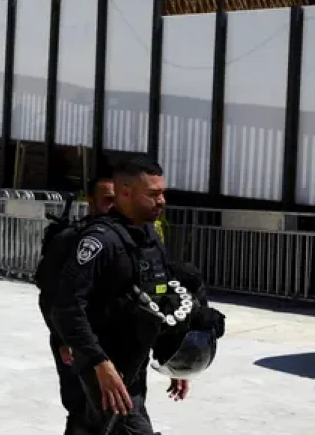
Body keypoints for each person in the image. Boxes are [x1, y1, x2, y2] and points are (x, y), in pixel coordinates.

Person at [51, 157, 222, 435]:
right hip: (104, 370)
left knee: (90, 428)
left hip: (134, 364)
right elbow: (66, 308)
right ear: (126, 193)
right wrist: (99, 363)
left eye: (163, 193)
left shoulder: (148, 238)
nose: (162, 201)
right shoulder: (100, 242)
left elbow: (159, 299)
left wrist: (173, 358)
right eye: (153, 194)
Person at [36, 174, 115, 435]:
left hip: (113, 340)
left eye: (118, 200)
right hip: (76, 340)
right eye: (107, 200)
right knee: (82, 411)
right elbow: (49, 295)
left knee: (114, 414)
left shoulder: (125, 238)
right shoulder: (71, 240)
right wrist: (61, 339)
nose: (113, 206)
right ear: (91, 201)